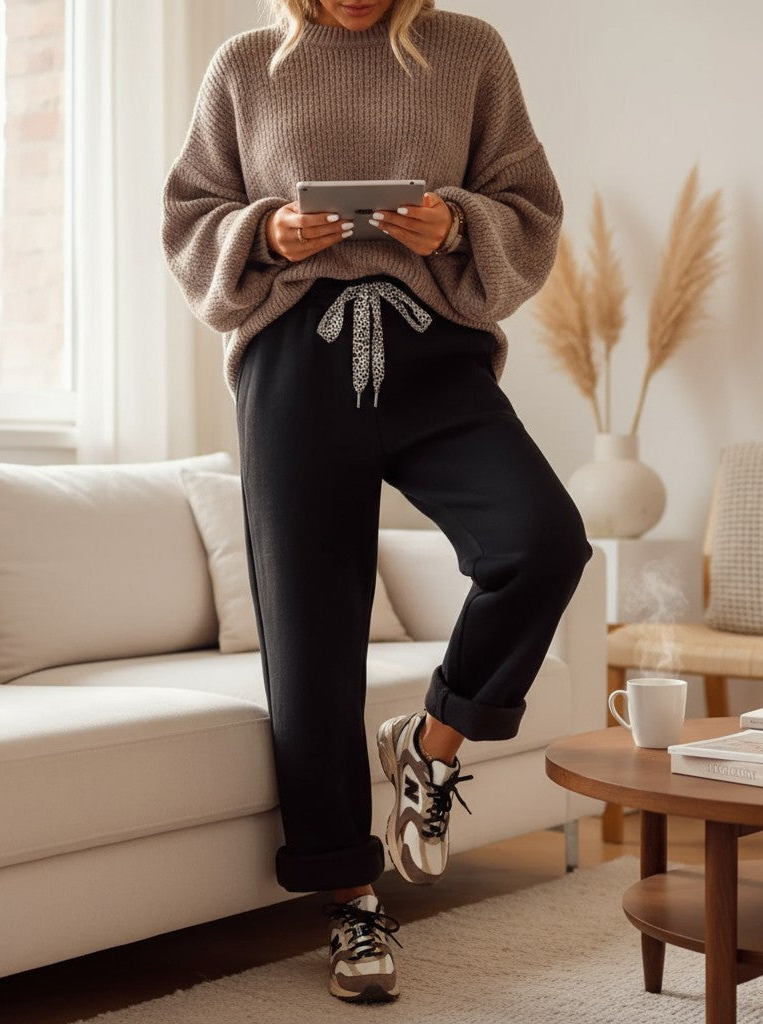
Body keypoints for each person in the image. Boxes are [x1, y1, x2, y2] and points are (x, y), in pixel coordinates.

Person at [162, 0, 592, 1004]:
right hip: (292, 364)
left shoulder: (468, 52)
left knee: (542, 541)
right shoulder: (246, 63)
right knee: (311, 645)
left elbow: (528, 203)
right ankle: (352, 905)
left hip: (433, 354)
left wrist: (458, 222)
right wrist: (266, 229)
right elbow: (188, 216)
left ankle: (431, 746)